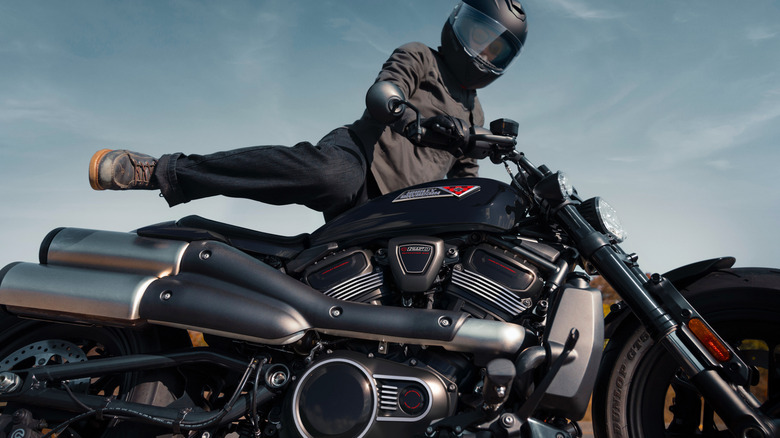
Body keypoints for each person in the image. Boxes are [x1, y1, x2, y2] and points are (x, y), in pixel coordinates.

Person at [89, 0, 528, 221]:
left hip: (400, 206)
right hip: (359, 156)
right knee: (328, 177)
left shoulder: (475, 114)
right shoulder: (421, 56)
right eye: (477, 33)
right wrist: (409, 118)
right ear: (458, 22)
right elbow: (383, 92)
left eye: (495, 48)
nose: (481, 50)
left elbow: (464, 177)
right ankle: (165, 172)